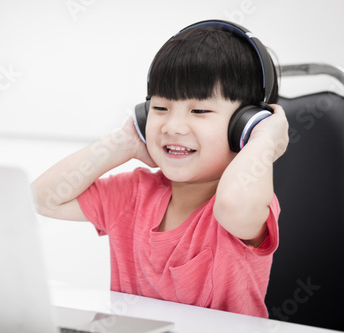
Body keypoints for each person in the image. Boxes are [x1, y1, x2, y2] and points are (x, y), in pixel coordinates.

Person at [32, 20, 289, 318]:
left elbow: (231, 206)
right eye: (160, 108)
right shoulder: (133, 194)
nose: (172, 126)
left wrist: (265, 139)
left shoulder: (248, 203)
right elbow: (43, 198)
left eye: (200, 111)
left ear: (244, 124)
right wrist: (124, 142)